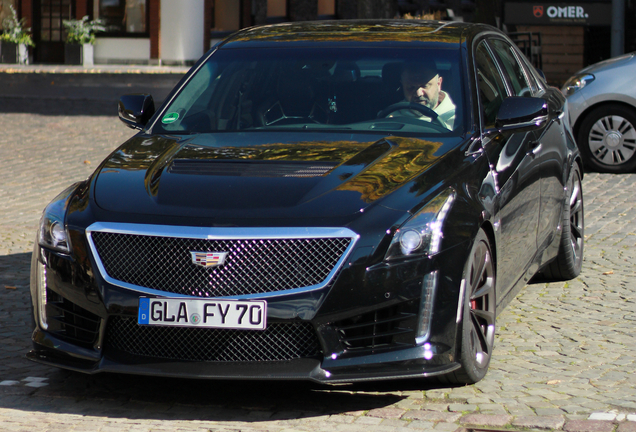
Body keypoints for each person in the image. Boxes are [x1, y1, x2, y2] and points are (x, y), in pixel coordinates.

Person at [391, 62, 456, 129]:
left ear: (438, 84)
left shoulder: (456, 120)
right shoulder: (390, 119)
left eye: (425, 86)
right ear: (403, 86)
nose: (418, 94)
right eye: (411, 87)